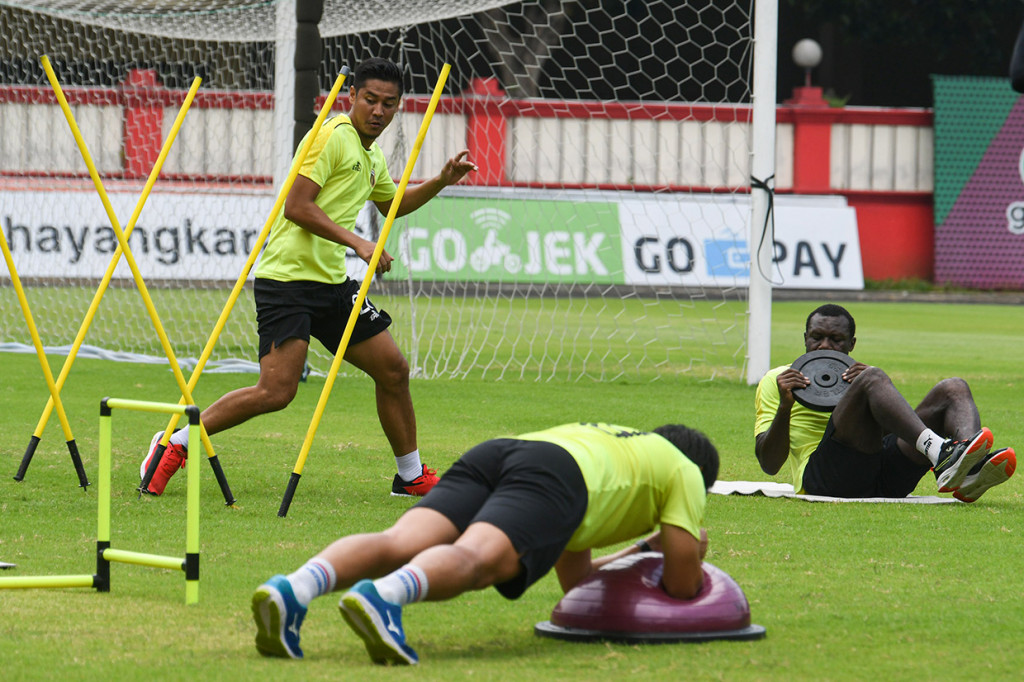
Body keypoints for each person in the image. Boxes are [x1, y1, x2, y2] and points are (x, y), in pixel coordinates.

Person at [140, 57, 477, 497]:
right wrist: (359, 243)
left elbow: (394, 204)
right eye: (370, 99)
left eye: (388, 104)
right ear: (351, 96)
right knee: (276, 392)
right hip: (287, 281)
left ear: (398, 107)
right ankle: (176, 442)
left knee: (393, 370)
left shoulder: (372, 154)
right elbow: (296, 206)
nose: (378, 111)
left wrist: (442, 180)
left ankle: (410, 475)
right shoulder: (331, 136)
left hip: (332, 285)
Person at [250, 420, 719, 664]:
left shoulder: (622, 455)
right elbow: (682, 585)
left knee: (399, 540)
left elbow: (577, 584)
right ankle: (385, 596)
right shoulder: (684, 472)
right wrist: (680, 545)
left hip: (506, 452)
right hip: (554, 478)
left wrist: (643, 549)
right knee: (478, 560)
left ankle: (294, 589)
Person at [754, 303, 1016, 502]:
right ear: (805, 338)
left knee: (953, 388)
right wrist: (785, 407)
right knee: (872, 377)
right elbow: (769, 464)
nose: (824, 345)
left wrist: (868, 389)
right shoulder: (779, 379)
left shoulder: (860, 378)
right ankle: (942, 454)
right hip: (825, 480)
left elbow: (890, 438)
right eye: (816, 337)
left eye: (836, 339)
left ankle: (969, 471)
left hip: (881, 477)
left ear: (851, 344)